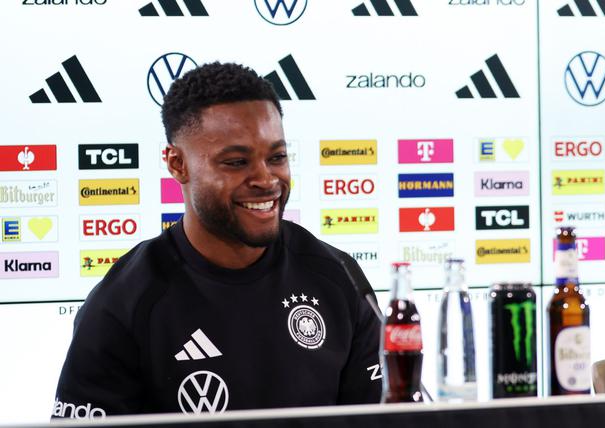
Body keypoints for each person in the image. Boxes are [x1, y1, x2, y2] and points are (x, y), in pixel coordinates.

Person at [52, 63, 381, 419]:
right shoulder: (123, 304)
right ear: (177, 164)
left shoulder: (339, 277)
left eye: (277, 157)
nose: (265, 179)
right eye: (237, 162)